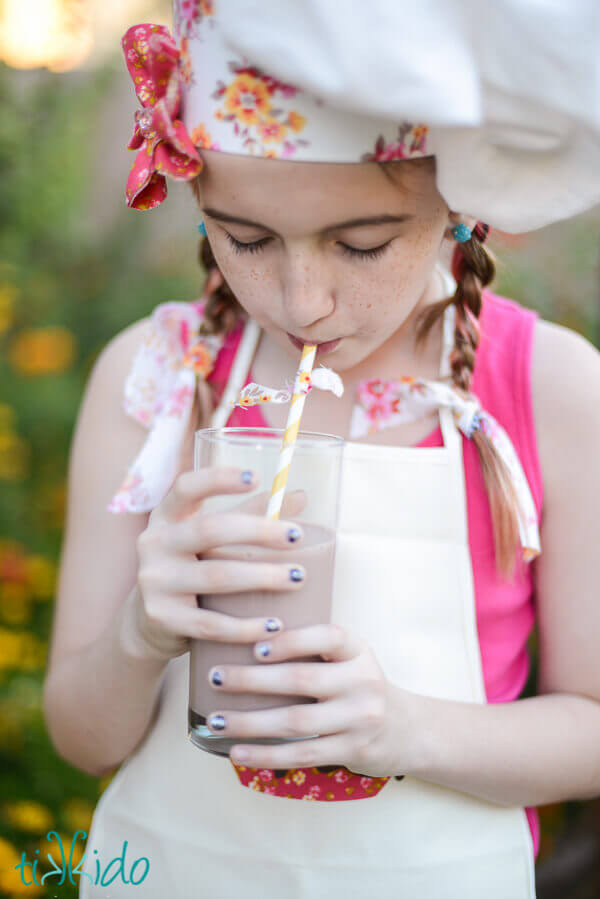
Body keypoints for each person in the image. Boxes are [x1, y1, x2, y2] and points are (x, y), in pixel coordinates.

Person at [42, 3, 600, 897]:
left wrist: (403, 729)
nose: (303, 302)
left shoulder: (550, 388)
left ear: (458, 202)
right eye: (245, 238)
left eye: (362, 243)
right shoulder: (156, 380)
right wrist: (141, 634)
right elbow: (81, 735)